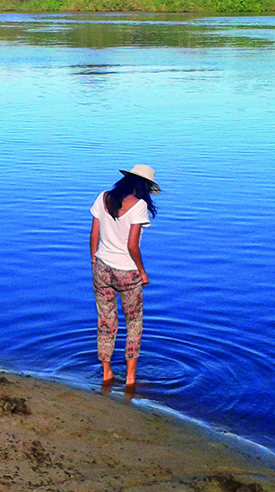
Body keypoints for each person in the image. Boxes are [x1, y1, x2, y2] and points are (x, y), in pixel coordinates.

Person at [90, 164, 160, 386]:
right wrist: (142, 272)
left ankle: (106, 372)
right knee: (134, 323)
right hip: (127, 272)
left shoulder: (103, 198)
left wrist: (95, 260)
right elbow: (132, 246)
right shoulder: (139, 206)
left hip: (102, 268)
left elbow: (94, 234)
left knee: (106, 321)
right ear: (144, 186)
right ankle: (130, 379)